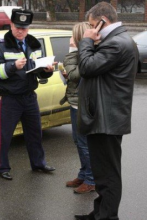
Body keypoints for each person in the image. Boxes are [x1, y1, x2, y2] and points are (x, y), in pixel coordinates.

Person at [74, 2, 139, 220]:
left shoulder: (117, 43)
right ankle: (99, 212)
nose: (91, 29)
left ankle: (108, 216)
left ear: (104, 21)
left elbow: (87, 67)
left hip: (107, 119)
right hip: (102, 117)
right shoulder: (114, 40)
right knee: (102, 173)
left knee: (108, 175)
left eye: (93, 24)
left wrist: (85, 41)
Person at [0, 9, 56, 180]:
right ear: (11, 25)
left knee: (35, 133)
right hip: (10, 99)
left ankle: (38, 163)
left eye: (24, 28)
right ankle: (3, 167)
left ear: (28, 28)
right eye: (17, 27)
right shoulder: (0, 46)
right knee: (5, 135)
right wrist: (13, 66)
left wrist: (47, 71)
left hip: (29, 97)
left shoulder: (34, 44)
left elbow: (38, 71)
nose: (20, 31)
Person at [60, 22, 95, 194]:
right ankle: (83, 174)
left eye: (73, 36)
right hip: (75, 104)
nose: (70, 39)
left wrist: (72, 54)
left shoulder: (83, 56)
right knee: (78, 141)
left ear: (80, 38)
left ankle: (91, 179)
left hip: (83, 105)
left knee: (83, 143)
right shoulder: (82, 56)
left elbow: (75, 74)